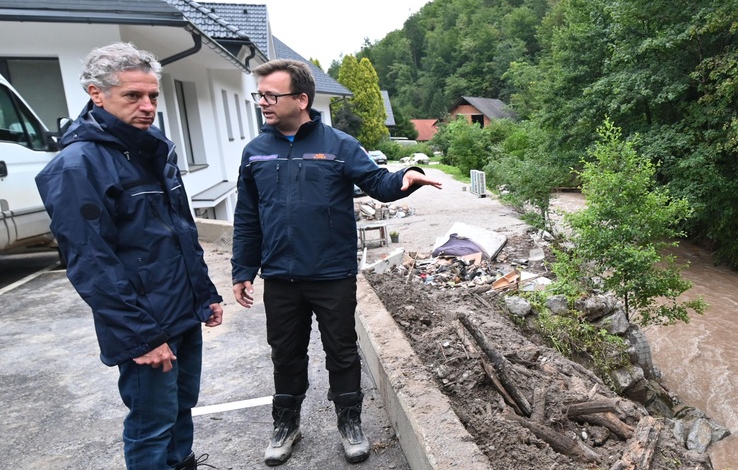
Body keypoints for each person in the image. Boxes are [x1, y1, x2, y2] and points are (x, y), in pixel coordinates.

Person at [231, 58, 442, 466]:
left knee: (342, 351)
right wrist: (243, 269)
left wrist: (407, 176)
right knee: (285, 354)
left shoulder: (340, 145)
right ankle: (286, 424)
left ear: (301, 99)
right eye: (260, 95)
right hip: (280, 276)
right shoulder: (255, 152)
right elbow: (247, 216)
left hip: (331, 274)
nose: (262, 102)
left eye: (271, 95)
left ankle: (350, 422)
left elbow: (377, 183)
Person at [35, 43, 224, 470]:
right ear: (96, 93)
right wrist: (142, 336)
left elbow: (177, 232)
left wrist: (204, 294)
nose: (147, 106)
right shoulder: (77, 166)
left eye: (153, 96)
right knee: (151, 424)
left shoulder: (151, 149)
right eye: (133, 96)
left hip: (180, 310)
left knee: (181, 406)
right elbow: (90, 261)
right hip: (144, 323)